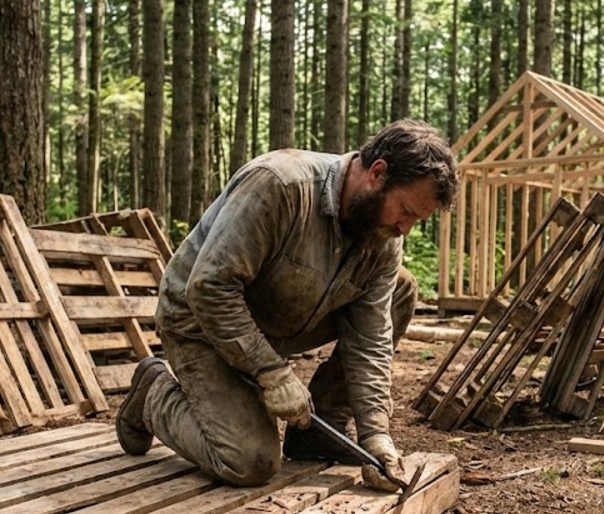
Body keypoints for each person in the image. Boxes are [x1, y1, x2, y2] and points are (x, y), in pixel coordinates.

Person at [116, 119, 458, 492]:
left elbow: (371, 337)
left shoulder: (382, 236)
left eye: (416, 220)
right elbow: (210, 288)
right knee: (250, 462)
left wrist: (375, 433)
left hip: (271, 326)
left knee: (401, 289)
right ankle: (152, 394)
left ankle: (318, 430)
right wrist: (272, 372)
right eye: (406, 211)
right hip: (199, 322)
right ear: (377, 174)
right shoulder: (279, 185)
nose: (405, 228)